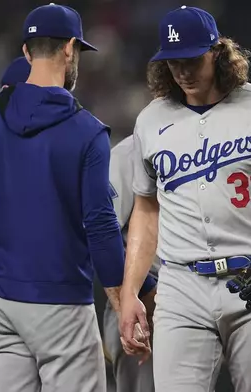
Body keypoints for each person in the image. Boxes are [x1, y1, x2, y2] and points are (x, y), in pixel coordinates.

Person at [118, 5, 251, 392]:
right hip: (181, 285)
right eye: (173, 61)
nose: (182, 71)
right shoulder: (150, 120)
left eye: (191, 59)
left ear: (217, 51)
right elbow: (145, 213)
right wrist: (131, 290)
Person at [0, 4, 151, 391]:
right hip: (62, 306)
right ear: (70, 49)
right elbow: (101, 225)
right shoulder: (86, 131)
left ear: (26, 51)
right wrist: (123, 300)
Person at [103, 134, 157, 392]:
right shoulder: (128, 155)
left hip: (196, 292)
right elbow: (103, 234)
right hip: (138, 297)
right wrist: (140, 291)